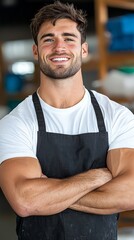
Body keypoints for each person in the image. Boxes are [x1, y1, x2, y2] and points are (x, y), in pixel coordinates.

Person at [0, 1, 134, 239]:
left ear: (84, 49)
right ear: (36, 51)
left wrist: (50, 192)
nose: (59, 47)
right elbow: (25, 201)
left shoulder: (116, 116)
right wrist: (96, 177)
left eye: (69, 38)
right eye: (48, 39)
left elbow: (130, 193)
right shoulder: (16, 123)